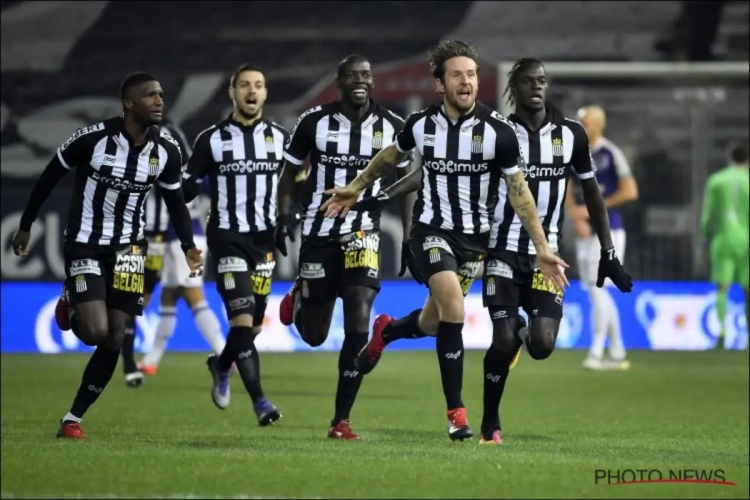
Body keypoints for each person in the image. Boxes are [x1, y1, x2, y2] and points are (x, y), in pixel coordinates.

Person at [320, 44, 569, 442]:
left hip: (476, 242)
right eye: (457, 74)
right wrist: (356, 187)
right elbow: (391, 155)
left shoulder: (498, 133)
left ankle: (387, 332)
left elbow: (520, 192)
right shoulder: (420, 124)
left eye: (471, 74)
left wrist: (541, 247)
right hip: (431, 232)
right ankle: (456, 413)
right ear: (440, 83)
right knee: (454, 305)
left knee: (434, 322)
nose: (467, 80)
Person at [12, 72, 203, 439]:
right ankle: (72, 295)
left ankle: (73, 418)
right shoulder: (93, 139)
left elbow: (176, 202)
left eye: (161, 94)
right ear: (128, 103)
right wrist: (26, 224)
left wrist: (188, 246)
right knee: (94, 331)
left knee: (115, 336)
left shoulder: (167, 150)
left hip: (131, 247)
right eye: (150, 95)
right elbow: (48, 177)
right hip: (85, 241)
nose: (159, 100)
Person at [275, 54, 417, 440]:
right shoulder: (313, 122)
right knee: (315, 335)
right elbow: (288, 172)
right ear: (339, 82)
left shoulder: (394, 127)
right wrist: (284, 214)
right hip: (319, 233)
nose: (361, 81)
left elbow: (408, 185)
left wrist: (408, 236)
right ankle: (300, 296)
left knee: (358, 317)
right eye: (352, 75)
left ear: (373, 83)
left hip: (364, 234)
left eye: (367, 75)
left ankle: (341, 420)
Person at [181, 63, 286, 426]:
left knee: (250, 330)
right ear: (232, 92)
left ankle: (220, 363)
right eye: (244, 85)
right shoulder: (211, 139)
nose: (251, 90)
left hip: (264, 244)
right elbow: (188, 184)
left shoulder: (280, 138)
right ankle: (261, 403)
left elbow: (295, 182)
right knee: (242, 321)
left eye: (258, 84)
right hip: (227, 239)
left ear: (266, 93)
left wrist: (290, 215)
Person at [135, 121, 227, 376]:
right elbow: (215, 187)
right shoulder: (192, 170)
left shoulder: (160, 164)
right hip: (180, 238)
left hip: (182, 239)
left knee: (193, 294)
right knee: (169, 296)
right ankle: (152, 360)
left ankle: (225, 354)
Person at [566, 106, 639, 371]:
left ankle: (596, 350)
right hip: (585, 232)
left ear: (600, 125)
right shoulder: (576, 153)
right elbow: (568, 187)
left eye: (586, 122)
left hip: (609, 230)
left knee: (598, 289)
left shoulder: (611, 153)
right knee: (595, 291)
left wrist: (595, 208)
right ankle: (617, 350)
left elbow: (630, 191)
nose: (582, 125)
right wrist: (576, 217)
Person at [700, 139, 749, 349]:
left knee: (722, 288)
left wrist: (704, 239)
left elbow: (707, 216)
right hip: (747, 239)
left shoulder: (716, 181)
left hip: (724, 238)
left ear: (729, 158)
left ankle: (721, 331)